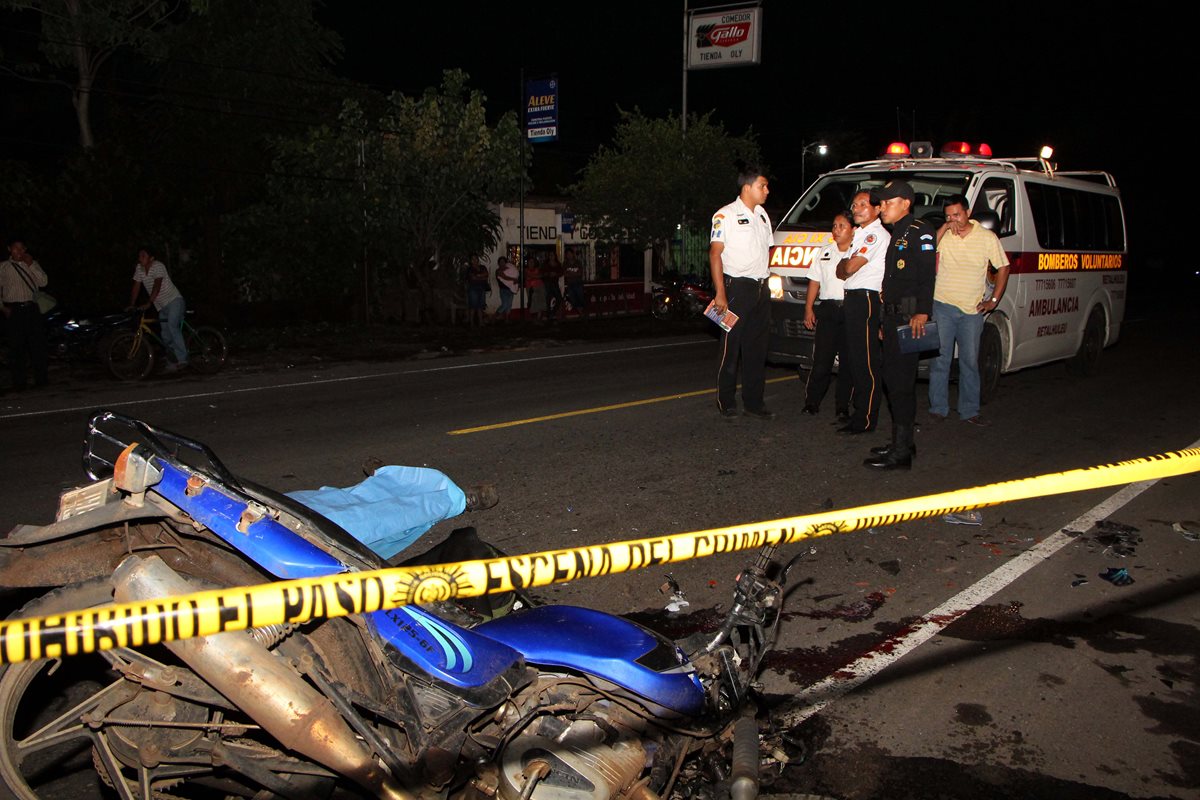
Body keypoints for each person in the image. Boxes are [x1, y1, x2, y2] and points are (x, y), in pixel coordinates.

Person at [864, 180, 936, 470]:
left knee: (900, 384)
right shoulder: (898, 233)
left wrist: (922, 312)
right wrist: (885, 319)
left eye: (887, 202)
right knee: (893, 382)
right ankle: (903, 442)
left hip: (909, 319)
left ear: (905, 203)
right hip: (895, 317)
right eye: (880, 203)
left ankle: (902, 453)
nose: (881, 208)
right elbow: (892, 283)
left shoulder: (920, 231)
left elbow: (927, 277)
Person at [928, 194, 1010, 425]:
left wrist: (993, 300)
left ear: (968, 212)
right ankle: (938, 408)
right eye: (948, 216)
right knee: (940, 360)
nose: (954, 219)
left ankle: (969, 410)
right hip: (942, 304)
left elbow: (1003, 267)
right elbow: (925, 250)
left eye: (957, 214)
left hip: (971, 311)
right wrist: (943, 227)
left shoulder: (986, 238)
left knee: (969, 362)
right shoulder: (945, 235)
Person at [710, 164, 774, 419]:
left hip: (761, 288)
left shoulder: (762, 215)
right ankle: (726, 401)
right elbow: (715, 254)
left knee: (757, 348)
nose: (767, 190)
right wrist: (720, 293)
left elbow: (767, 250)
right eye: (762, 186)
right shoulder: (725, 215)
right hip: (736, 288)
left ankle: (754, 402)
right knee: (730, 347)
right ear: (747, 188)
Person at [835, 191, 890, 433]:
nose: (856, 208)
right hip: (853, 298)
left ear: (877, 209)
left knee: (866, 362)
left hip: (866, 299)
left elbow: (850, 266)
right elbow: (841, 270)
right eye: (854, 204)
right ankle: (860, 413)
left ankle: (866, 418)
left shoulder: (875, 235)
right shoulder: (861, 235)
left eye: (863, 204)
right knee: (856, 360)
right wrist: (846, 266)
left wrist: (847, 266)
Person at [801, 212, 854, 419]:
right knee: (822, 360)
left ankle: (842, 406)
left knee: (848, 362)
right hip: (829, 309)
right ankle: (812, 402)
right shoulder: (824, 252)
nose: (836, 230)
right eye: (834, 225)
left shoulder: (859, 252)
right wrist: (808, 309)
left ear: (853, 229)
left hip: (850, 309)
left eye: (842, 225)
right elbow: (814, 281)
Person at [0, 239, 49, 389]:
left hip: (32, 308)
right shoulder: (3, 267)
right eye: (16, 248)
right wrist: (2, 307)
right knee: (16, 347)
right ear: (9, 249)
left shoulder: (32, 264)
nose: (19, 252)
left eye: (22, 249)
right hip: (14, 310)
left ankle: (41, 380)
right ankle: (19, 382)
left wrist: (31, 264)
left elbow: (43, 282)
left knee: (37, 346)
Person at [130, 247, 188, 371]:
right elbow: (136, 287)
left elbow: (157, 284)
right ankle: (173, 361)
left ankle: (183, 359)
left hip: (174, 301)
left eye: (143, 256)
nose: (140, 258)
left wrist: (149, 302)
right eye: (139, 256)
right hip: (161, 306)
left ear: (151, 258)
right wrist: (132, 304)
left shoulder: (158, 266)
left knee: (173, 326)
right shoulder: (139, 269)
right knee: (165, 335)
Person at [465, 255, 490, 327]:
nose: (474, 260)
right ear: (471, 261)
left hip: (482, 288)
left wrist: (478, 276)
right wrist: (481, 276)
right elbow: (472, 278)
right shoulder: (469, 269)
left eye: (476, 259)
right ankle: (471, 322)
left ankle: (481, 322)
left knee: (480, 306)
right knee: (473, 306)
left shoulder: (482, 267)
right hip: (473, 289)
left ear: (478, 260)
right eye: (473, 259)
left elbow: (486, 275)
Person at [563, 249, 587, 317]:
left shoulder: (578, 262)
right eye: (567, 254)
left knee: (580, 295)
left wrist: (571, 274)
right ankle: (580, 311)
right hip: (570, 283)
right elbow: (565, 274)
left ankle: (581, 311)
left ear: (573, 254)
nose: (569, 255)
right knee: (572, 297)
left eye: (570, 254)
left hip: (578, 282)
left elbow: (580, 273)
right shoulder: (565, 263)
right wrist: (574, 273)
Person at [494, 256, 519, 321]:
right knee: (504, 305)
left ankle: (507, 320)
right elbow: (505, 277)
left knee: (509, 305)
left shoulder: (509, 268)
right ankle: (494, 316)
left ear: (505, 262)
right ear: (498, 263)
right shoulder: (498, 271)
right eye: (500, 262)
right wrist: (514, 279)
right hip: (503, 290)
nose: (502, 263)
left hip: (510, 289)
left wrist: (515, 281)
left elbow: (515, 273)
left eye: (503, 262)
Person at [542, 254, 564, 320]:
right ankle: (549, 314)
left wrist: (555, 274)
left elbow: (561, 273)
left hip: (555, 283)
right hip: (547, 283)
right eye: (550, 255)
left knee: (559, 298)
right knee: (548, 299)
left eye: (553, 255)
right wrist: (549, 274)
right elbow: (542, 273)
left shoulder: (558, 264)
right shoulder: (546, 264)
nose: (551, 256)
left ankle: (553, 312)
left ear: (555, 256)